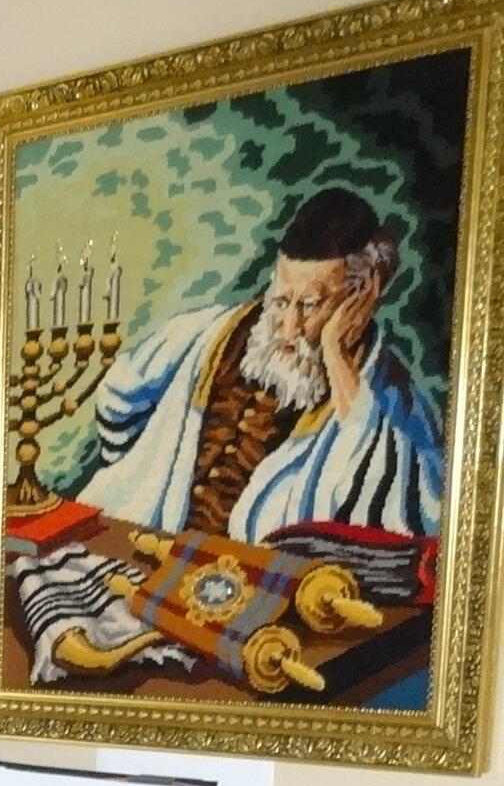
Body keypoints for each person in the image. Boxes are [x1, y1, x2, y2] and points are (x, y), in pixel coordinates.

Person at [79, 187, 446, 544]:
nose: (288, 328)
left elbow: (413, 514)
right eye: (282, 300)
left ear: (360, 297)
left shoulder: (393, 400)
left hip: (264, 582)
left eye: (310, 306)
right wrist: (147, 473)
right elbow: (119, 395)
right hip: (148, 548)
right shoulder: (203, 333)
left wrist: (336, 355)